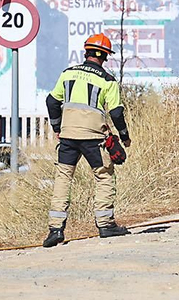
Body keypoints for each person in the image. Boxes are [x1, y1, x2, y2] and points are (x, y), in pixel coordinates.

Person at [43, 32, 130, 247]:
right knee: (104, 176)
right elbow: (116, 112)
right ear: (105, 56)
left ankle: (55, 229)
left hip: (68, 135)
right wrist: (124, 136)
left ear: (86, 52)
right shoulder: (108, 80)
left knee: (63, 178)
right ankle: (105, 225)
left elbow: (52, 101)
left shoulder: (68, 74)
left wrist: (57, 127)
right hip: (93, 137)